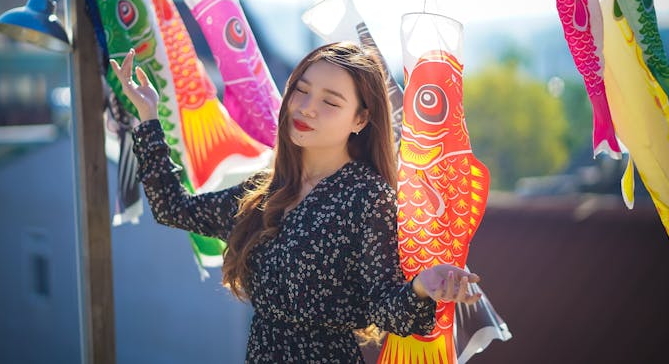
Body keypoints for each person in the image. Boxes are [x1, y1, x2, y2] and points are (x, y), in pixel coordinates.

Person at [111, 42, 482, 363]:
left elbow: (387, 311)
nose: (306, 108)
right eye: (301, 91)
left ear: (361, 119)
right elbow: (172, 209)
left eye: (330, 102)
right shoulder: (266, 190)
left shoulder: (367, 198)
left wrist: (422, 286)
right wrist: (148, 117)